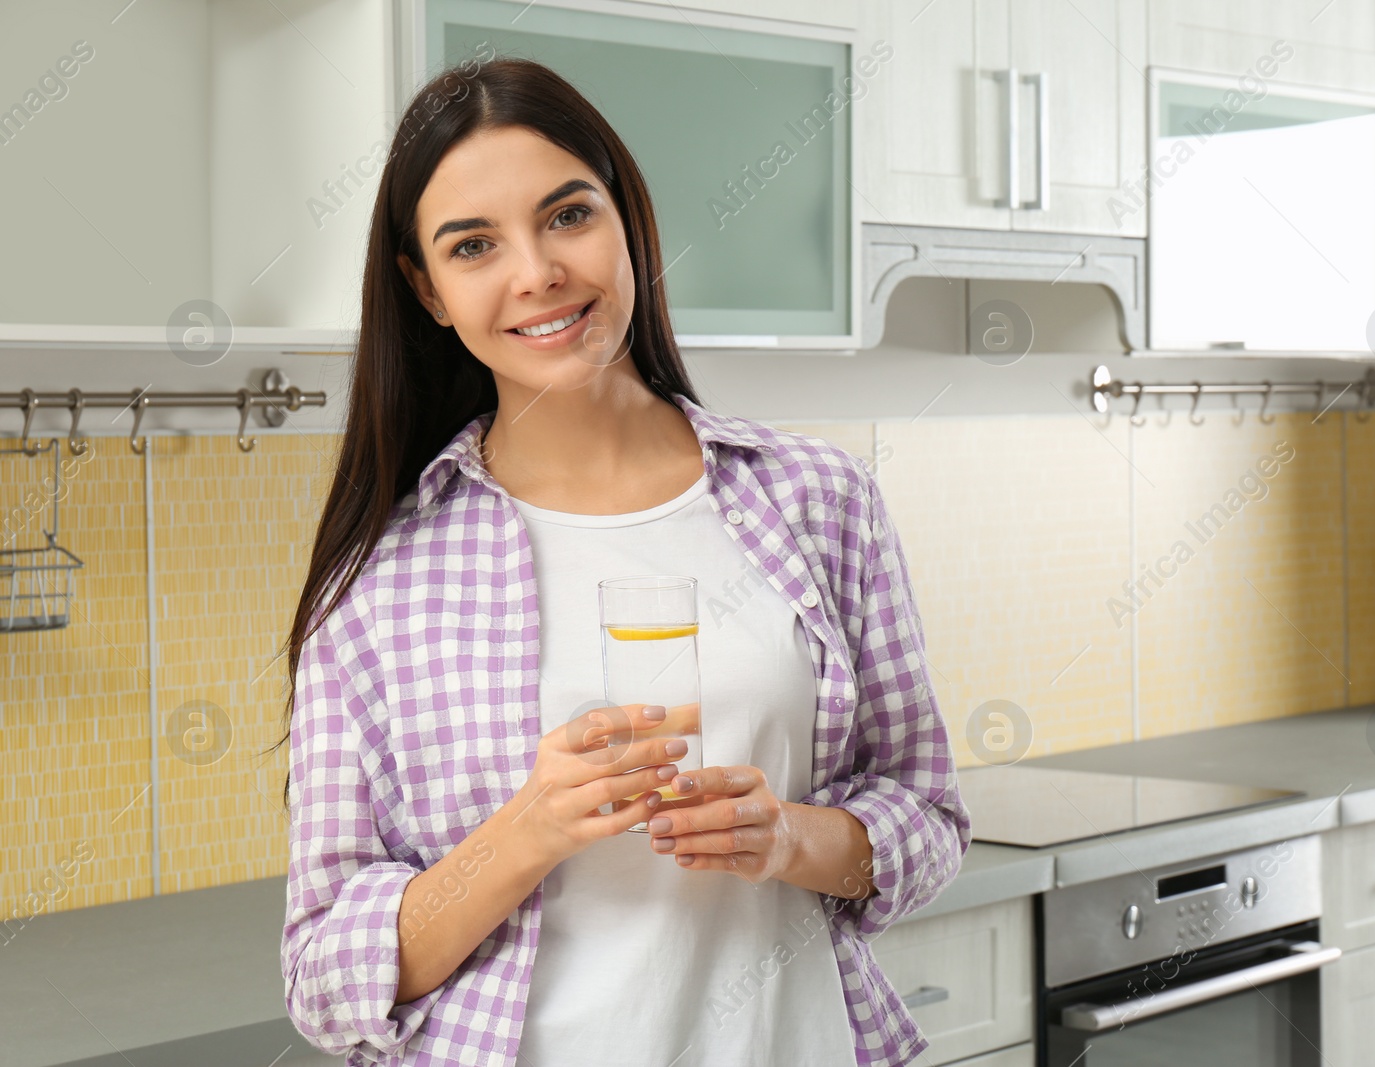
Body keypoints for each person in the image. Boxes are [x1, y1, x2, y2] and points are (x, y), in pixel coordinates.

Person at [276, 56, 970, 1067]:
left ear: (628, 220)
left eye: (567, 216)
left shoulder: (820, 500)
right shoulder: (381, 584)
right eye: (474, 245)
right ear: (428, 290)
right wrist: (526, 831)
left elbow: (928, 814)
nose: (537, 272)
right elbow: (322, 976)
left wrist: (790, 838)